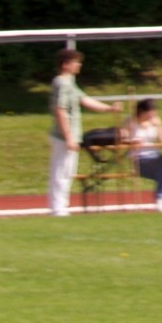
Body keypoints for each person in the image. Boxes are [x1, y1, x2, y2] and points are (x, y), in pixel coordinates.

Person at [47, 49, 119, 217]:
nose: (79, 65)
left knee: (68, 172)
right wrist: (68, 137)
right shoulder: (61, 83)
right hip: (63, 136)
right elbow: (60, 110)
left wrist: (109, 108)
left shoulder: (70, 82)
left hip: (71, 135)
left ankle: (61, 206)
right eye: (76, 62)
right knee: (61, 172)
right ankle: (58, 208)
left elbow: (84, 100)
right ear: (66, 64)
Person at [123, 98, 162, 211]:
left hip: (154, 156)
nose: (151, 116)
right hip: (139, 158)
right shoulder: (130, 122)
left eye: (154, 113)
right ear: (141, 112)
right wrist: (132, 142)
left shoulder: (156, 121)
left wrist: (158, 127)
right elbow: (122, 139)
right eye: (149, 113)